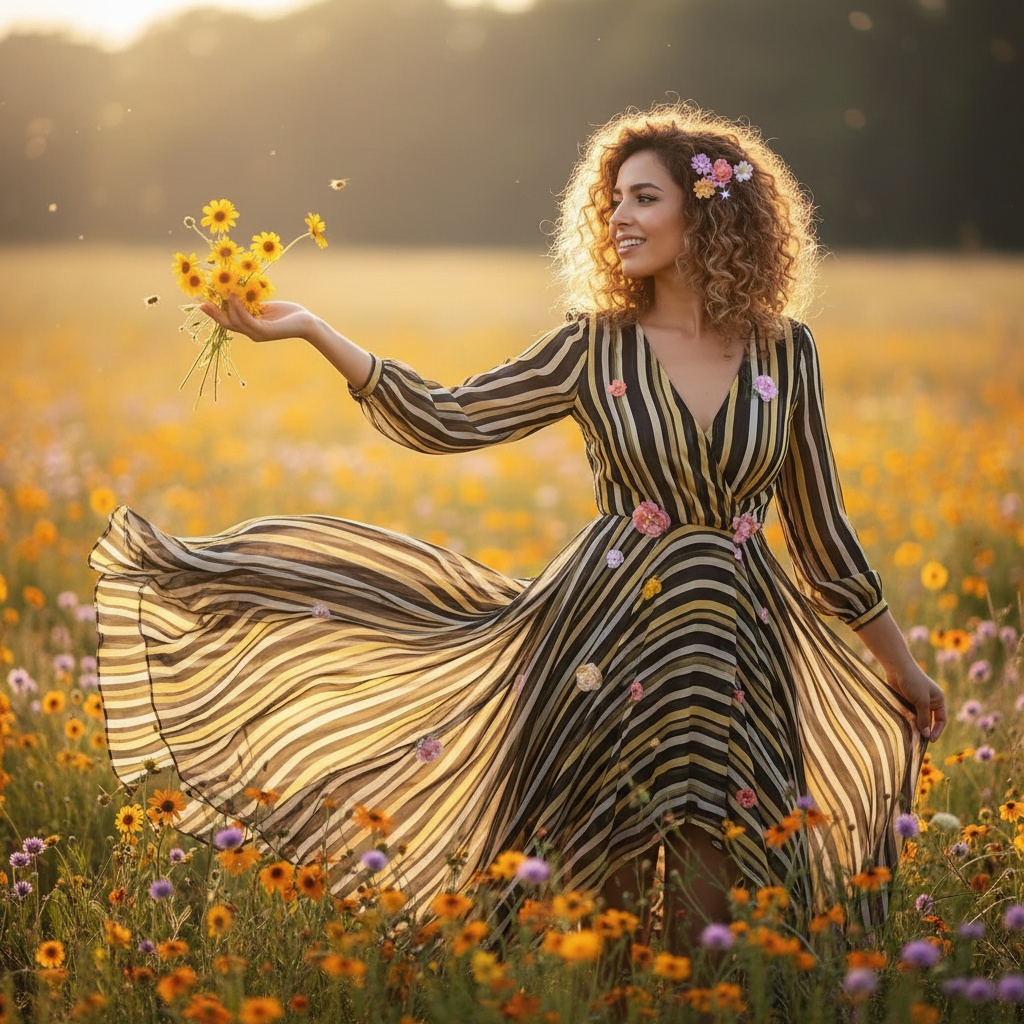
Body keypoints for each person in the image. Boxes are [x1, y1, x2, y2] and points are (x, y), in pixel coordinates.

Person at [89, 102, 945, 948]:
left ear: (708, 209)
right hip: (605, 640)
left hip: (738, 654)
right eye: (612, 200)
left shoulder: (785, 351)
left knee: (710, 924)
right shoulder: (591, 346)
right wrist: (315, 330)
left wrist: (903, 669)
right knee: (593, 915)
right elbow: (446, 418)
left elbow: (822, 532)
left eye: (643, 197)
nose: (619, 216)